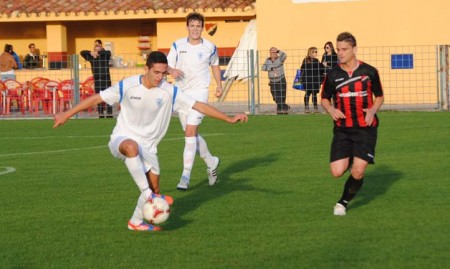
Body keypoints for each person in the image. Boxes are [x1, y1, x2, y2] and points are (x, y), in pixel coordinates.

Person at [53, 51, 248, 231]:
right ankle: (148, 195)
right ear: (146, 69)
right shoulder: (127, 85)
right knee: (132, 149)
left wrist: (228, 118)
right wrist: (66, 115)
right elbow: (97, 98)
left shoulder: (169, 91)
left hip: (150, 148)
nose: (159, 77)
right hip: (122, 139)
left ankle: (136, 222)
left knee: (156, 188)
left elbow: (198, 106)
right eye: (156, 72)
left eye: (164, 73)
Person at [321, 32, 384, 216]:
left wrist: (372, 111)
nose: (340, 53)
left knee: (358, 171)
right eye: (338, 49)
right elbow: (324, 99)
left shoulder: (369, 72)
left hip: (366, 129)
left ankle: (342, 203)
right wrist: (331, 110)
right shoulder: (333, 75)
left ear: (354, 49)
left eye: (344, 49)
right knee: (336, 172)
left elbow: (379, 97)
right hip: (342, 129)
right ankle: (352, 157)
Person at [167, 12, 224, 191]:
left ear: (202, 28)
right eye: (192, 26)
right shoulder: (177, 45)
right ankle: (211, 161)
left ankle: (185, 176)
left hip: (200, 94)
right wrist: (171, 71)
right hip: (182, 94)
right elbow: (167, 65)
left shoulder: (210, 46)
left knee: (190, 132)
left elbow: (215, 65)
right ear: (187, 27)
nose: (195, 29)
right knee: (192, 135)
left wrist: (219, 85)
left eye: (198, 26)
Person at [80, 39, 113, 118]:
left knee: (108, 96)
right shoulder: (91, 56)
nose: (96, 49)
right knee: (99, 97)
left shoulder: (105, 55)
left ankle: (109, 114)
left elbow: (108, 53)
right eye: (95, 48)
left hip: (106, 79)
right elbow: (82, 52)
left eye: (98, 47)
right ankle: (101, 114)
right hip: (97, 79)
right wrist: (91, 53)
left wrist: (98, 52)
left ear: (101, 47)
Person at [261, 47, 289, 114]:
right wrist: (271, 68)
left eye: (274, 52)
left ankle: (281, 111)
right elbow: (263, 68)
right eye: (271, 52)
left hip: (281, 80)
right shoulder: (267, 60)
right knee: (275, 97)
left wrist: (278, 51)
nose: (273, 53)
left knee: (282, 96)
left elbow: (285, 55)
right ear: (269, 53)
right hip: (272, 81)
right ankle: (285, 106)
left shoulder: (280, 59)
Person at [300, 47, 325, 113]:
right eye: (315, 52)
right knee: (309, 94)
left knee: (312, 94)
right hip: (310, 80)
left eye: (316, 52)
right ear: (311, 52)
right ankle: (310, 108)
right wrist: (323, 65)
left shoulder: (309, 60)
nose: (316, 53)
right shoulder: (310, 60)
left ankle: (312, 108)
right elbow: (320, 68)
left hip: (312, 80)